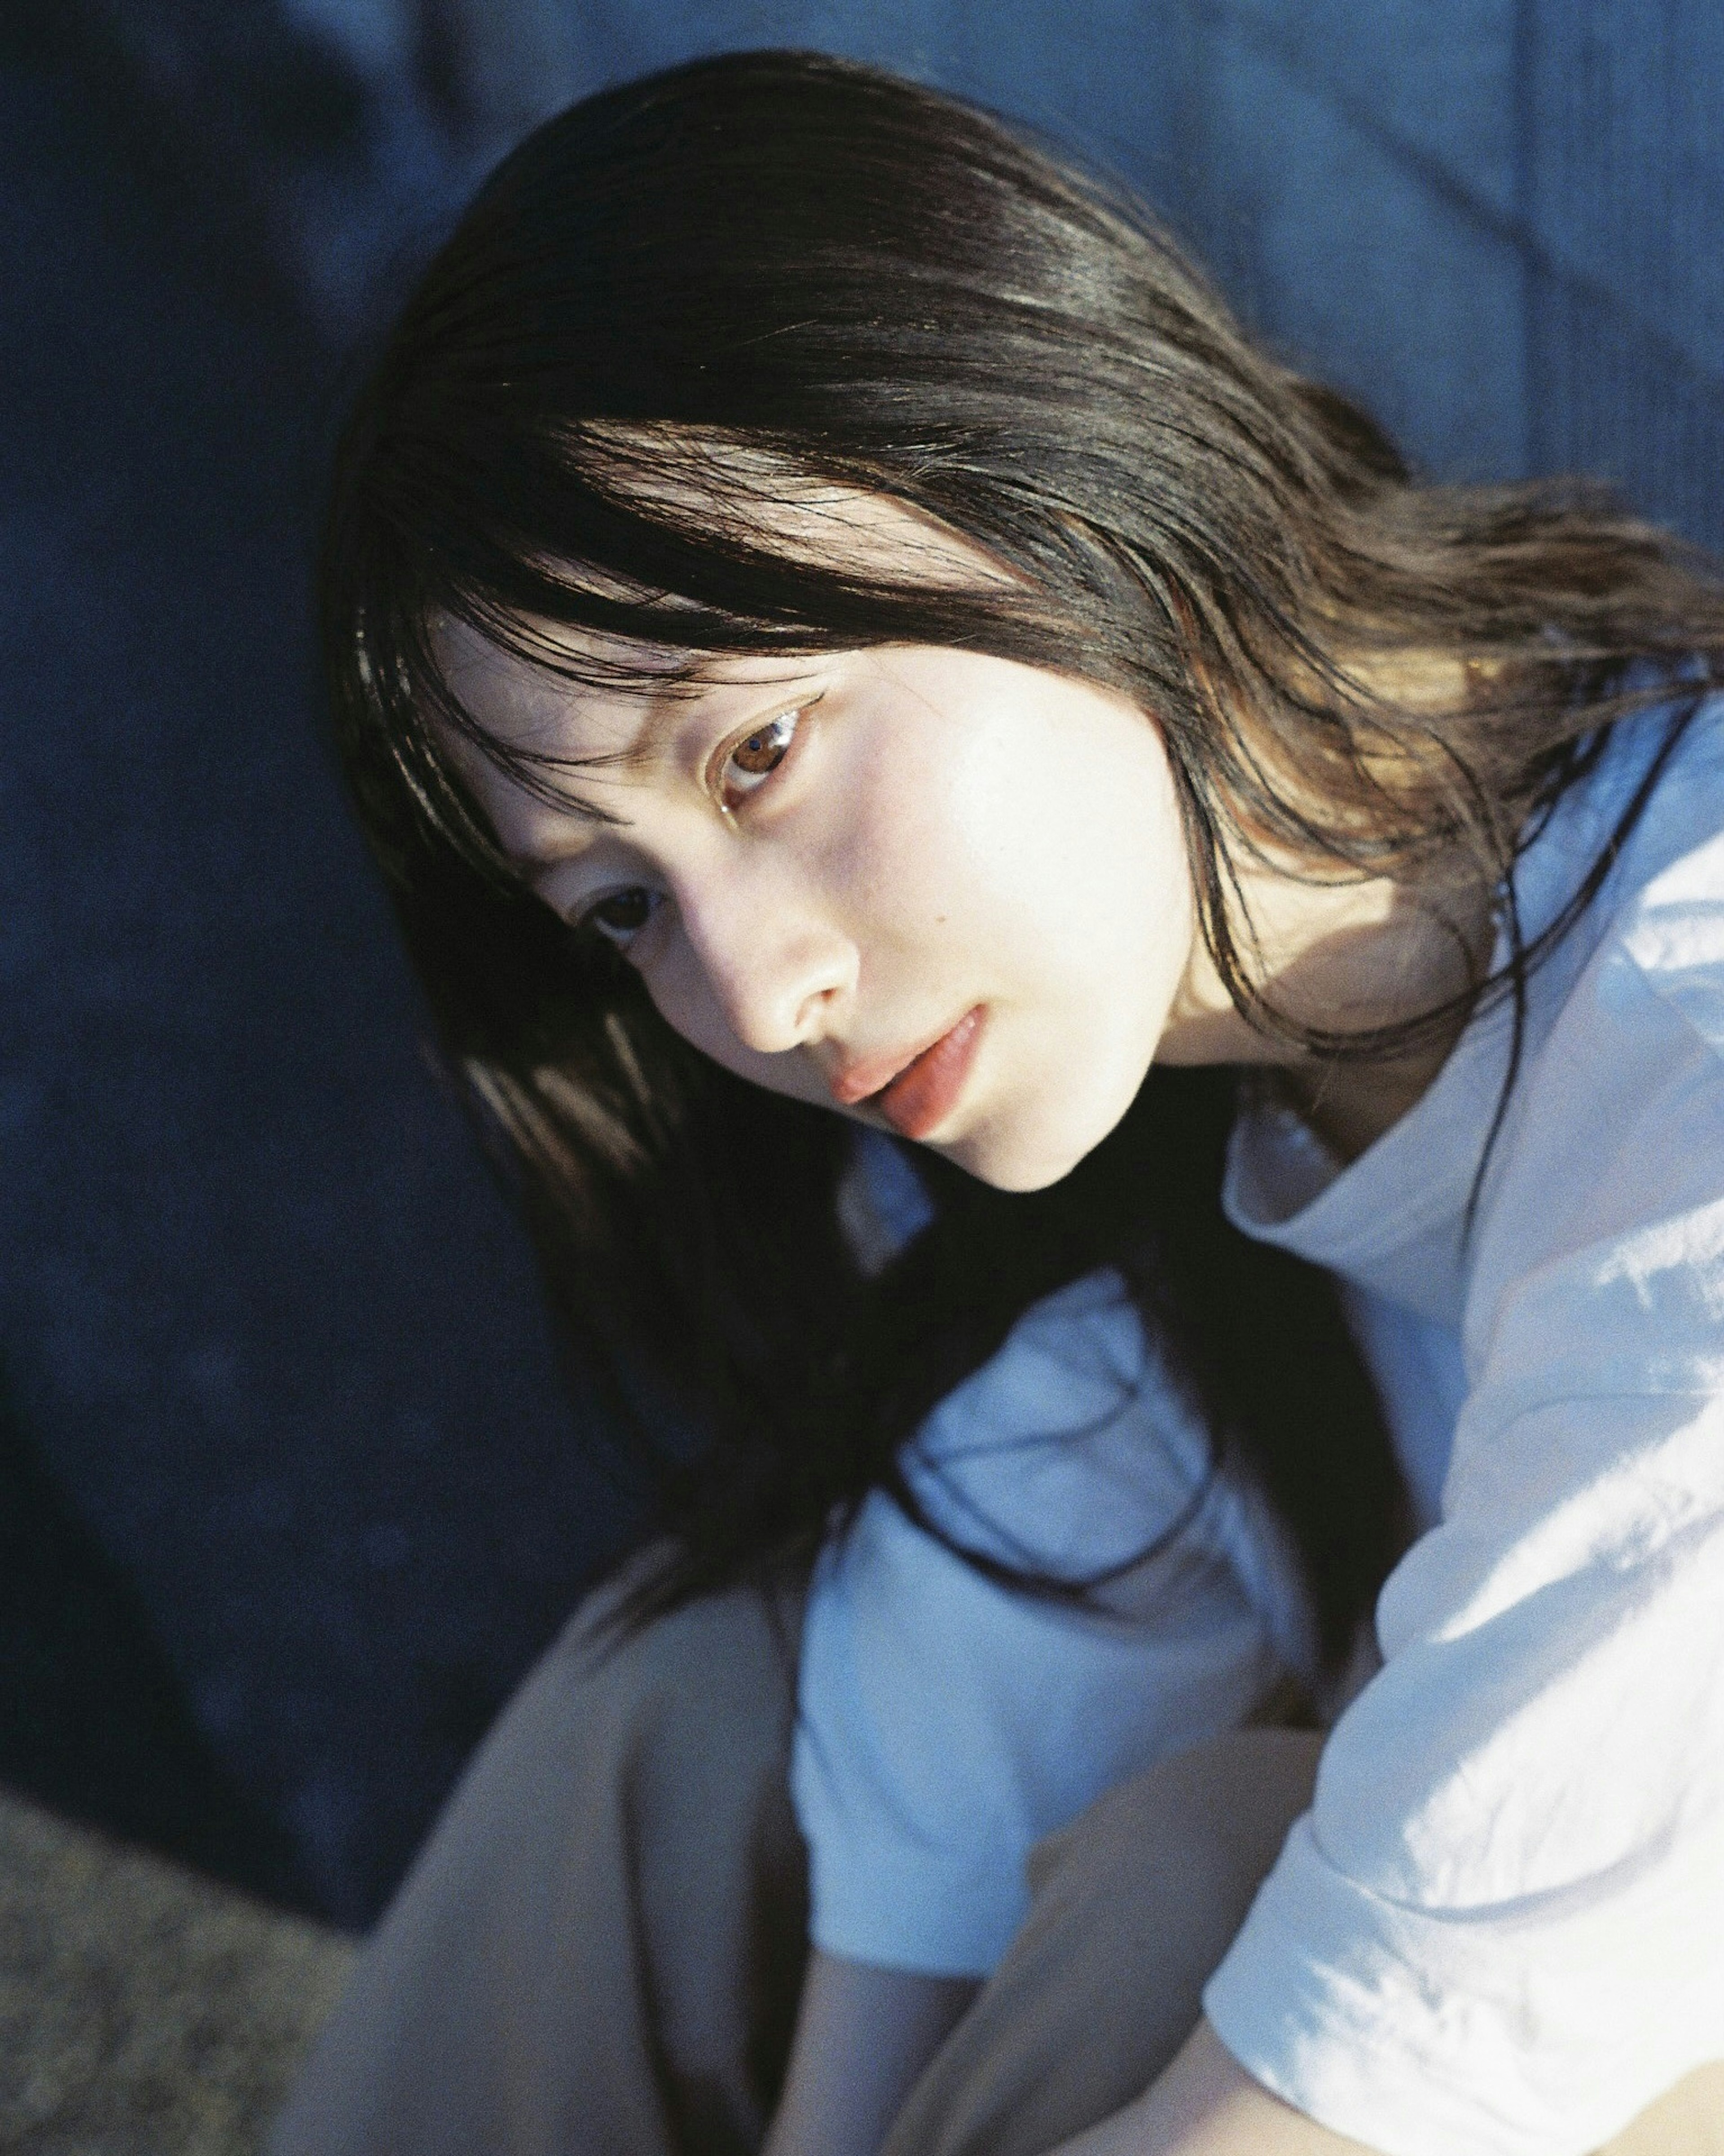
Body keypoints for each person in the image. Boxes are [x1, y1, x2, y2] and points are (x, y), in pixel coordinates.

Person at [272, 48, 1724, 2156]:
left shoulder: (1688, 1079)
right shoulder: (1191, 1085)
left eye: (758, 754)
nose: (754, 987)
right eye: (618, 907)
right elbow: (960, 1705)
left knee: (1191, 1884)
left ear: (1057, 456)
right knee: (696, 1704)